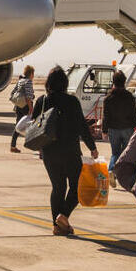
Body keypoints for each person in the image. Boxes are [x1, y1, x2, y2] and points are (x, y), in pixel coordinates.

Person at [35, 66, 98, 236]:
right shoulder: (72, 101)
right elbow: (82, 127)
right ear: (65, 83)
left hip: (49, 151)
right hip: (70, 150)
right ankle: (63, 216)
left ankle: (57, 225)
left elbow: (34, 124)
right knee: (77, 187)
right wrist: (92, 147)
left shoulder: (42, 101)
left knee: (58, 188)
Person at [101, 70, 136, 189]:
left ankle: (111, 170)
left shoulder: (108, 98)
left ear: (113, 82)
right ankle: (126, 176)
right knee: (127, 153)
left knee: (115, 153)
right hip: (127, 128)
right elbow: (134, 114)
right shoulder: (129, 97)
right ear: (124, 82)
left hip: (113, 129)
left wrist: (104, 130)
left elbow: (105, 116)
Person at [10, 65, 35, 154]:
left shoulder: (20, 81)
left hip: (18, 106)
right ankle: (35, 146)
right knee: (32, 125)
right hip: (26, 107)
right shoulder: (28, 82)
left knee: (18, 126)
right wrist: (31, 108)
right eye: (33, 73)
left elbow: (12, 93)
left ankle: (13, 146)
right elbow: (28, 97)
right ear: (31, 73)